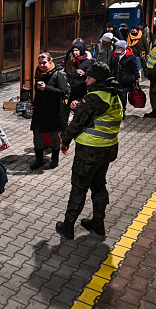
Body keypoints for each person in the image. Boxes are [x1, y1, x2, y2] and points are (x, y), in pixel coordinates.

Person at [56, 62, 123, 239]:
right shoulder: (113, 95)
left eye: (89, 77)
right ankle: (98, 224)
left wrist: (65, 140)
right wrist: (81, 107)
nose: (86, 81)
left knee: (79, 187)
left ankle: (68, 226)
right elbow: (98, 115)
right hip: (107, 150)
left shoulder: (93, 98)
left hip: (89, 152)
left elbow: (77, 123)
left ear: (98, 79)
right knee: (99, 186)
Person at [30, 53, 70, 170]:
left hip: (53, 110)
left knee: (53, 134)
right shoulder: (38, 73)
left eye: (44, 63)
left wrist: (46, 88)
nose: (42, 65)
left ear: (50, 62)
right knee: (37, 133)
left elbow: (63, 92)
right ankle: (39, 159)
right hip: (39, 110)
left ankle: (55, 158)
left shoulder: (57, 74)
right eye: (40, 63)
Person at [109, 40, 139, 116]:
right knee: (116, 95)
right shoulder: (114, 56)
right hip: (115, 79)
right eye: (116, 48)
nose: (117, 49)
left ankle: (123, 110)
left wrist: (137, 77)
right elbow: (111, 67)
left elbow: (134, 67)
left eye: (119, 48)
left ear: (123, 48)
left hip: (125, 79)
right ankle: (116, 110)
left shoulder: (130, 57)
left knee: (123, 95)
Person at [65, 41, 92, 107]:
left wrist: (84, 73)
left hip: (81, 90)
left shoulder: (88, 62)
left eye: (76, 50)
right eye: (73, 51)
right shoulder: (72, 60)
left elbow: (91, 76)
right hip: (71, 90)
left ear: (81, 50)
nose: (74, 52)